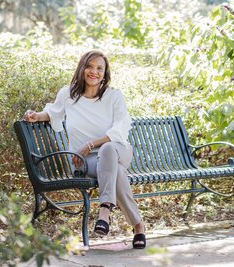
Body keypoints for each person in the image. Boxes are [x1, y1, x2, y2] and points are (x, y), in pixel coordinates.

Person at [22, 50, 146, 249]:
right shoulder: (68, 94)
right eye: (90, 66)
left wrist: (90, 144)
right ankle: (138, 226)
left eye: (99, 68)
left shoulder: (114, 96)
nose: (94, 72)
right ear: (82, 68)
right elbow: (53, 113)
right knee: (117, 172)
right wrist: (35, 116)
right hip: (86, 162)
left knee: (107, 150)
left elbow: (120, 129)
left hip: (118, 150)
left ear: (105, 74)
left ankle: (105, 209)